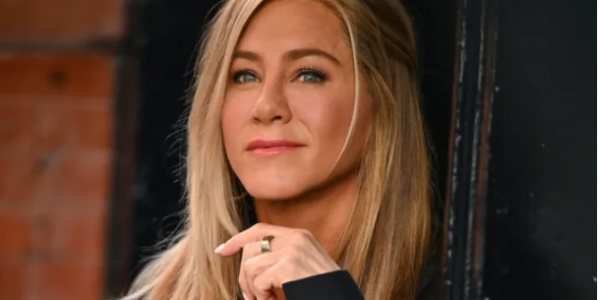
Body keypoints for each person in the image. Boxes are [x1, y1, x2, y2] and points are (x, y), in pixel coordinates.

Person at [120, 0, 439, 299]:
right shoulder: (165, 290)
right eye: (245, 75)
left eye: (308, 74)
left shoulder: (461, 280)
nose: (267, 106)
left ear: (384, 100)